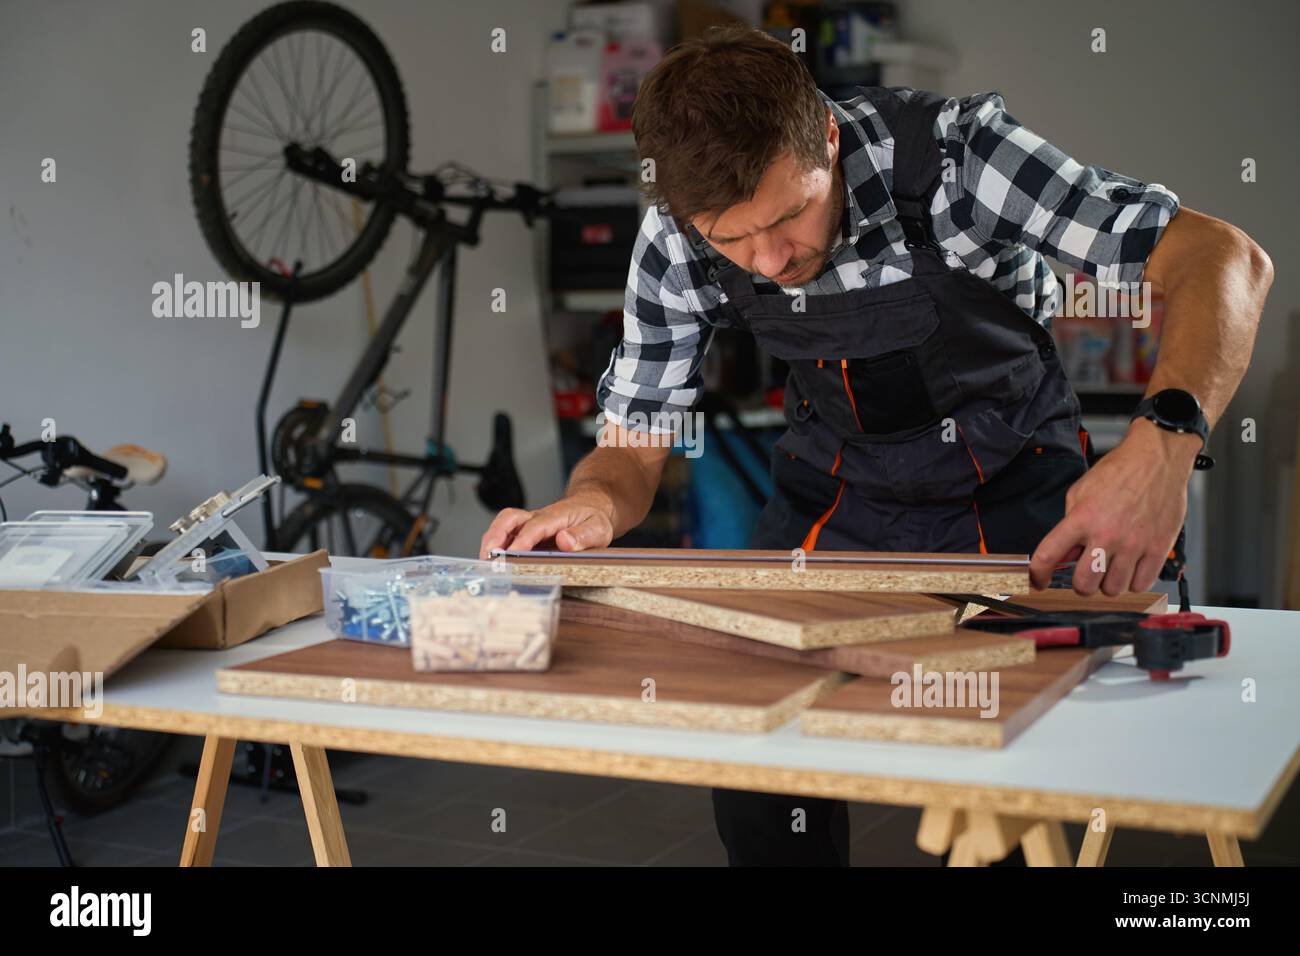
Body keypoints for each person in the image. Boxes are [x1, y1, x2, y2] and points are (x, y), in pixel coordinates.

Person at [481, 27, 1272, 866]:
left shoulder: (960, 160)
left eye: (789, 216)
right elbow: (637, 444)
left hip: (1008, 483)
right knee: (755, 764)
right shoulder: (676, 236)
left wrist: (1163, 443)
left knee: (996, 775)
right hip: (837, 494)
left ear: (827, 134)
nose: (770, 261)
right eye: (732, 241)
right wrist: (592, 504)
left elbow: (1224, 257)